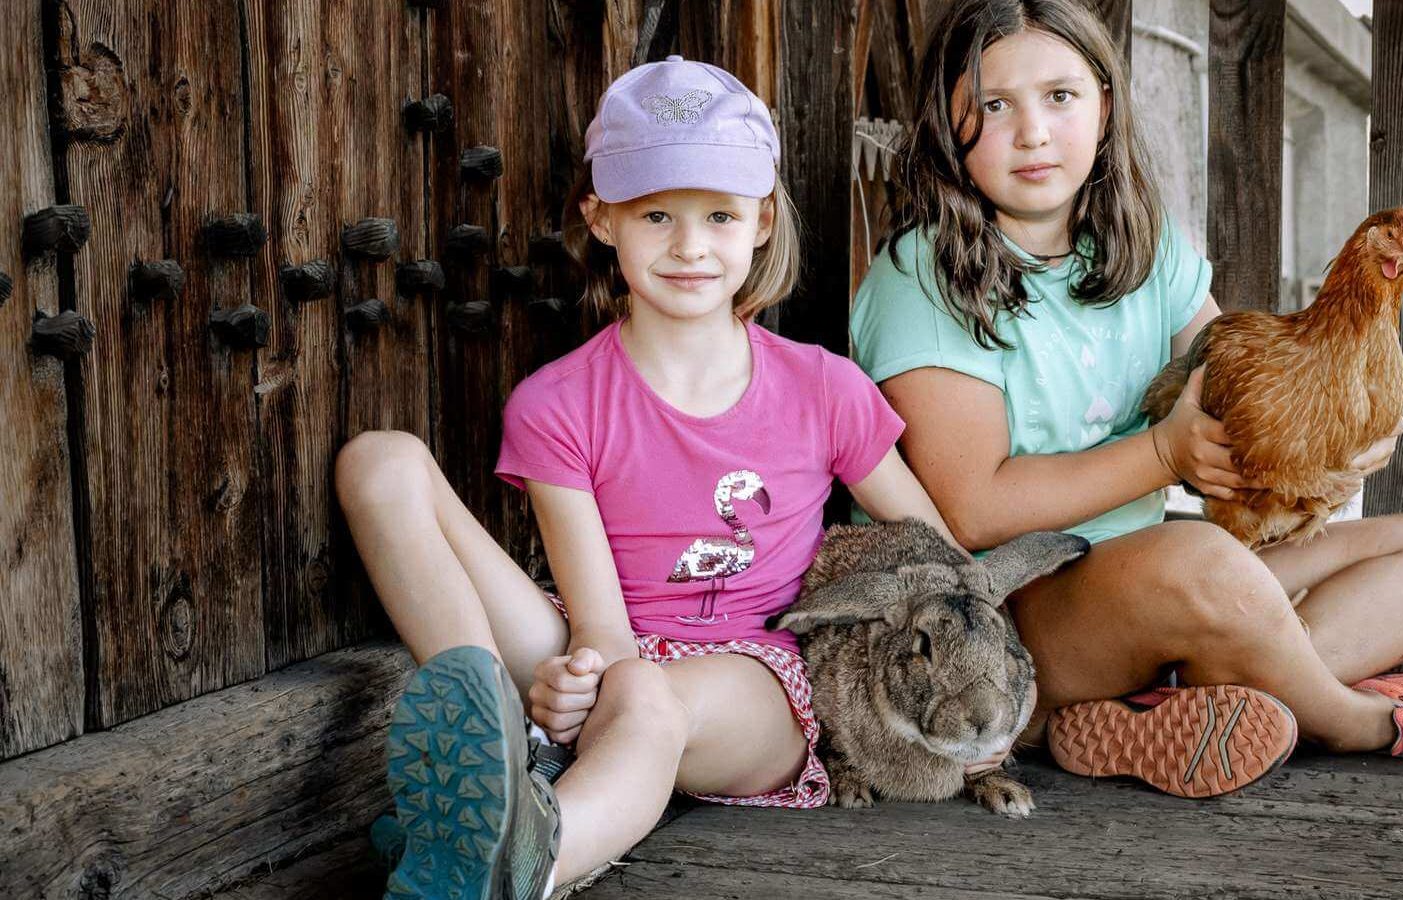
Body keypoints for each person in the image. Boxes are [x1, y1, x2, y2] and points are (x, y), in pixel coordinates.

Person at [850, 0, 1403, 799]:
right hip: (1007, 617)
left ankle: (1172, 712)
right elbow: (973, 509)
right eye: (993, 104)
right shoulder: (927, 279)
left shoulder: (1147, 249)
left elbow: (1233, 394)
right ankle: (1358, 719)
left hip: (1160, 597)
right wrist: (1163, 455)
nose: (1033, 131)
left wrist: (1330, 441)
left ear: (1105, 105)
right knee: (1203, 563)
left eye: (1060, 96)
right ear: (950, 128)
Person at [335, 56, 954, 899]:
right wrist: (567, 682)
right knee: (380, 461)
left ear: (763, 221)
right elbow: (603, 630)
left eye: (719, 215)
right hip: (602, 641)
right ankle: (495, 752)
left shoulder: (824, 390)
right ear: (600, 219)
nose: (690, 246)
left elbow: (936, 559)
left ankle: (521, 865)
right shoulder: (557, 402)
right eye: (656, 213)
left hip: (751, 687)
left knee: (649, 698)